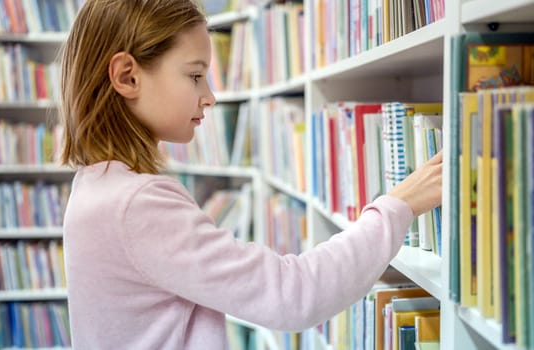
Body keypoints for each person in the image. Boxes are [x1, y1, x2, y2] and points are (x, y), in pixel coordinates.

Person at [59, 0, 443, 349]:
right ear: (127, 76)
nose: (210, 96)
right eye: (195, 76)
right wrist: (398, 205)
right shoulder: (137, 204)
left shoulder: (94, 186)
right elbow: (294, 295)